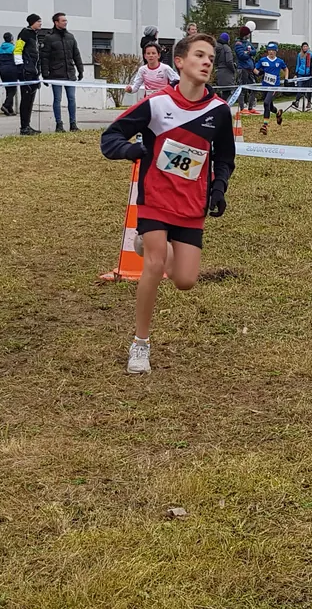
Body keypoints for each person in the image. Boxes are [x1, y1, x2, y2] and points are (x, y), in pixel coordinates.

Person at [100, 34, 236, 374]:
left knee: (185, 280)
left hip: (191, 204)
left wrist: (219, 188)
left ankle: (148, 244)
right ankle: (140, 344)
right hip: (155, 198)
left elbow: (225, 158)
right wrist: (131, 150)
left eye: (210, 58)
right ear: (179, 61)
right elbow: (110, 138)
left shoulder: (219, 111)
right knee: (155, 264)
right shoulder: (158, 104)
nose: (207, 62)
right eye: (199, 55)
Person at [40, 12, 84, 132]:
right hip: (56, 74)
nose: (65, 22)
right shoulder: (49, 38)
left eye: (66, 20)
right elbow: (44, 58)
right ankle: (59, 124)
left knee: (72, 99)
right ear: (56, 22)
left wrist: (80, 69)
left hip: (70, 73)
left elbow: (76, 54)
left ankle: (73, 124)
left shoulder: (70, 37)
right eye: (63, 20)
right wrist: (45, 74)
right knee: (57, 99)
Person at [15, 14, 44, 134]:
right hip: (26, 72)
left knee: (31, 100)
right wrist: (20, 67)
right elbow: (17, 50)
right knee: (26, 100)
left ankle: (27, 125)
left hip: (33, 73)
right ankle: (24, 127)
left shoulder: (35, 35)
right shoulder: (24, 34)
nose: (40, 23)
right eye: (38, 21)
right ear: (32, 22)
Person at [256, 42, 288, 131]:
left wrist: (286, 79)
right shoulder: (263, 60)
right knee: (269, 107)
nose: (271, 52)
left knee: (266, 103)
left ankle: (265, 125)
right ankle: (278, 113)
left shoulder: (279, 61)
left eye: (273, 50)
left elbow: (286, 69)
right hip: (265, 86)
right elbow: (255, 69)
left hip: (274, 86)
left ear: (276, 51)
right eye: (269, 50)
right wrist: (259, 73)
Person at [0, 32, 19, 116]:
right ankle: (5, 105)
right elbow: (18, 60)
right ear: (11, 39)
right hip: (12, 69)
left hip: (2, 70)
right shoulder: (13, 48)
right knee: (13, 89)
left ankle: (9, 109)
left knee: (8, 89)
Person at [234, 26, 257, 114]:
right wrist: (248, 53)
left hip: (250, 69)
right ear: (245, 34)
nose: (249, 35)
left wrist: (248, 52)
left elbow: (254, 51)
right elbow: (241, 56)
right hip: (242, 69)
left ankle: (251, 107)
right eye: (248, 33)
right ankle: (242, 108)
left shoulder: (248, 43)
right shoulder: (238, 44)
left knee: (254, 87)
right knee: (242, 88)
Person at [213, 31, 238, 97]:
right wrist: (233, 70)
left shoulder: (216, 49)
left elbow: (214, 61)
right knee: (228, 94)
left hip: (219, 72)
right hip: (227, 73)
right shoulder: (226, 48)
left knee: (223, 93)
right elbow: (229, 61)